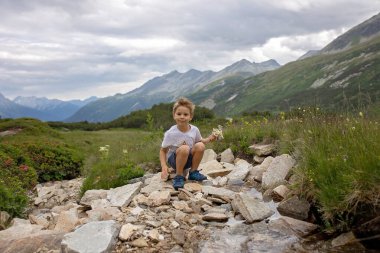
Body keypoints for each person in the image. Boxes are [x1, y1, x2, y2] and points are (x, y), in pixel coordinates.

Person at [159, 97, 216, 190]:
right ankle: (178, 176)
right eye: (179, 114)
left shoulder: (194, 130)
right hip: (174, 160)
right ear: (174, 115)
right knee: (184, 148)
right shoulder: (170, 133)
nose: (182, 117)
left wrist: (210, 138)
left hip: (188, 159)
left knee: (200, 146)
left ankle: (193, 172)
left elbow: (201, 141)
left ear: (191, 116)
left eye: (185, 114)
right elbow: (163, 151)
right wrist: (164, 166)